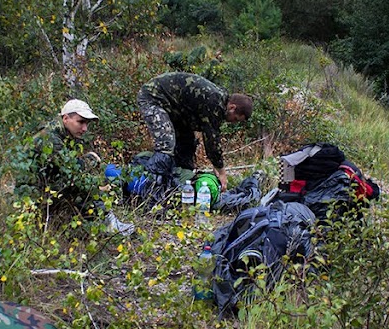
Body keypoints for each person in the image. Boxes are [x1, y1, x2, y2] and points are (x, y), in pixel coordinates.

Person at [29, 99, 134, 235]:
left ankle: (99, 222)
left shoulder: (59, 132)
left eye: (87, 123)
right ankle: (107, 224)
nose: (85, 128)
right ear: (66, 118)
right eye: (81, 122)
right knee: (83, 184)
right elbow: (70, 170)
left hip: (41, 191)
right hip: (35, 198)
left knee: (83, 182)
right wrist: (89, 162)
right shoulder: (50, 138)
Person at [137, 72, 252, 191]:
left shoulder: (219, 102)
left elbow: (210, 139)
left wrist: (215, 164)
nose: (233, 122)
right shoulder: (214, 102)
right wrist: (221, 172)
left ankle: (178, 185)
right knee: (166, 145)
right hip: (154, 97)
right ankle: (152, 189)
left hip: (176, 108)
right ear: (232, 107)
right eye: (236, 119)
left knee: (187, 143)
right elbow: (212, 141)